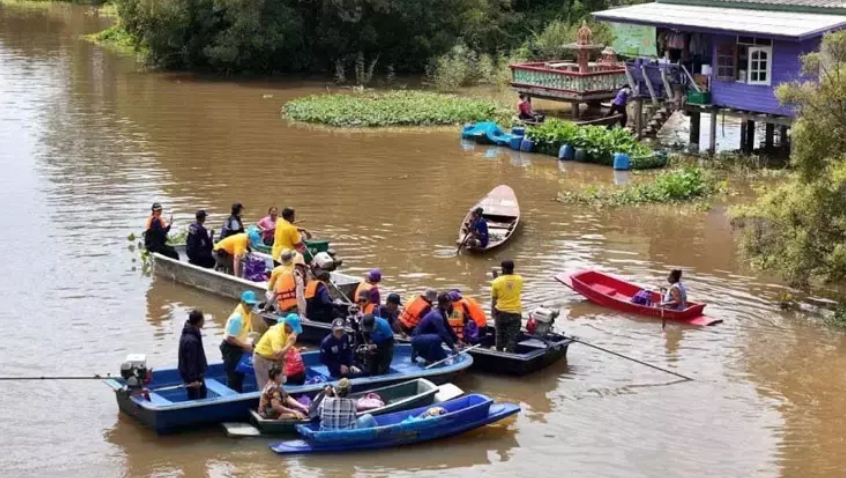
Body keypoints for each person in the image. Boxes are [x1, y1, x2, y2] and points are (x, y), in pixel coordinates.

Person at [219, 290, 258, 393]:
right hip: (230, 349)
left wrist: (252, 344)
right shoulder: (237, 317)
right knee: (233, 377)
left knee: (240, 374)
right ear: (242, 302)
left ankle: (238, 393)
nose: (250, 307)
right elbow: (230, 338)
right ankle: (232, 398)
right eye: (248, 304)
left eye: (252, 304)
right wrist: (245, 346)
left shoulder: (247, 313)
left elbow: (245, 332)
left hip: (239, 347)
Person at [253, 313, 301, 390]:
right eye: (293, 328)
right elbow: (277, 355)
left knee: (282, 380)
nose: (294, 331)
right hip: (262, 359)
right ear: (287, 325)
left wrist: (295, 349)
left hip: (273, 359)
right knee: (266, 388)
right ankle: (264, 400)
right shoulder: (276, 335)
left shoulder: (284, 324)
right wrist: (290, 343)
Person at [411, 293, 459, 364]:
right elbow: (444, 334)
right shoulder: (437, 316)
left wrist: (458, 340)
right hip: (418, 339)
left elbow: (448, 328)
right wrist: (453, 347)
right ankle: (429, 361)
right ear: (446, 304)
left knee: (443, 358)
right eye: (450, 303)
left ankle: (420, 353)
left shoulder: (441, 312)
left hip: (425, 339)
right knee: (439, 337)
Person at [491, 259, 524, 353]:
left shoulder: (496, 282)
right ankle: (510, 354)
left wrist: (493, 312)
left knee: (499, 335)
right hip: (515, 313)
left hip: (500, 313)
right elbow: (511, 283)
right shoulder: (520, 279)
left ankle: (499, 353)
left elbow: (494, 299)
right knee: (512, 337)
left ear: (503, 269)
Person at [178, 310, 208, 400]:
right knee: (195, 396)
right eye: (203, 319)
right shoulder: (191, 341)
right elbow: (191, 361)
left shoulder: (194, 331)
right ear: (199, 321)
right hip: (192, 374)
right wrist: (194, 380)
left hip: (195, 372)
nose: (204, 321)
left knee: (203, 393)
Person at [267, 250, 307, 316]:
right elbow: (299, 296)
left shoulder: (275, 271)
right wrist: (302, 312)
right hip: (295, 306)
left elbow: (270, 289)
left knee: (268, 293)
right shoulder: (296, 271)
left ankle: (277, 309)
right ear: (292, 259)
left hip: (282, 304)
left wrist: (266, 307)